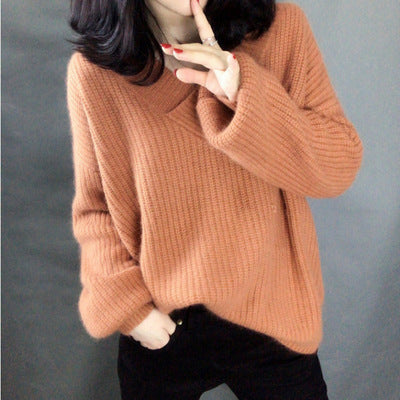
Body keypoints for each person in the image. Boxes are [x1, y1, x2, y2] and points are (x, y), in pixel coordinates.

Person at [65, 0, 363, 399]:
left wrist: (245, 95)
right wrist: (128, 309)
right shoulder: (96, 72)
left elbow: (338, 165)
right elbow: (96, 209)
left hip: (274, 312)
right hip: (163, 321)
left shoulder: (281, 31)